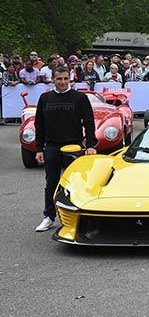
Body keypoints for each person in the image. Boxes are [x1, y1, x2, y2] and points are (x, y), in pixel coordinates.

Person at [33, 66, 97, 232]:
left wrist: (90, 145)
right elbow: (39, 124)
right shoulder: (45, 98)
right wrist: (39, 149)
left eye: (65, 79)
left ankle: (78, 217)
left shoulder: (80, 98)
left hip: (74, 146)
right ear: (53, 79)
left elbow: (89, 122)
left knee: (75, 183)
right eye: (59, 79)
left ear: (70, 79)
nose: (62, 82)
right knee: (51, 182)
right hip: (52, 146)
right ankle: (49, 216)